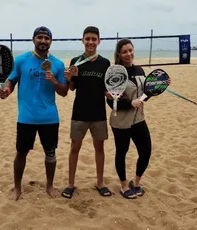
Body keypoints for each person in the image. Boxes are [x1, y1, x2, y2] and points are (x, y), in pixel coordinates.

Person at [0, 26, 68, 201]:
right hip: (26, 117)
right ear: (33, 39)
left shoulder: (58, 64)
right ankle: (17, 188)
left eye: (47, 38)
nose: (43, 41)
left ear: (51, 41)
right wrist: (6, 90)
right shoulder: (21, 60)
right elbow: (11, 81)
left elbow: (64, 91)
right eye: (40, 37)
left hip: (49, 117)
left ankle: (50, 185)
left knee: (50, 153)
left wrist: (54, 82)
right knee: (21, 153)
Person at [106, 38, 170, 199]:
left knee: (146, 151)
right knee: (122, 152)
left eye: (130, 50)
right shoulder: (116, 72)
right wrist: (130, 103)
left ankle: (137, 182)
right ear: (119, 55)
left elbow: (145, 96)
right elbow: (110, 101)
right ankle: (123, 185)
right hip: (120, 121)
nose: (129, 54)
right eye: (125, 51)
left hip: (139, 119)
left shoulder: (140, 71)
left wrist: (160, 86)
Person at [61, 26, 112, 199]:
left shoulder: (105, 63)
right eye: (87, 38)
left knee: (99, 148)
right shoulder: (76, 61)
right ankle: (70, 184)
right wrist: (68, 79)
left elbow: (107, 88)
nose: (90, 42)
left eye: (93, 39)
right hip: (79, 113)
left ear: (99, 41)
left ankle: (100, 183)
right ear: (82, 40)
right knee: (74, 148)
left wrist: (114, 95)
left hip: (99, 113)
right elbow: (72, 88)